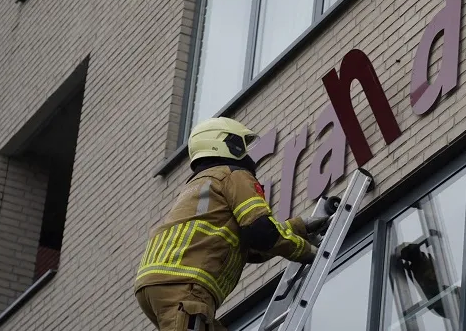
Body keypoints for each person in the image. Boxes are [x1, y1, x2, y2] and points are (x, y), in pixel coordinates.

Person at [134, 117, 330, 331]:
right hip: (187, 286)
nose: (247, 154)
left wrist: (300, 227)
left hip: (154, 288)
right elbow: (262, 233)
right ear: (224, 144)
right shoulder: (234, 176)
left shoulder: (199, 187)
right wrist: (309, 252)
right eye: (240, 146)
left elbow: (249, 246)